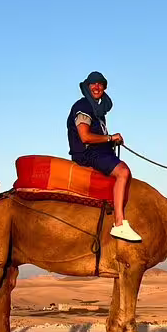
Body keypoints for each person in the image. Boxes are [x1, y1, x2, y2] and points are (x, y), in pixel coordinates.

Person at [67, 71, 142, 242]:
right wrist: (110, 138)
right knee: (123, 172)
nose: (97, 87)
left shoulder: (98, 111)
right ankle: (119, 224)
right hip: (88, 153)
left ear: (104, 88)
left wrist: (110, 142)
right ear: (87, 86)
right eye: (93, 84)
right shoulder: (83, 106)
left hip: (99, 151)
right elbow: (85, 137)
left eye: (100, 84)